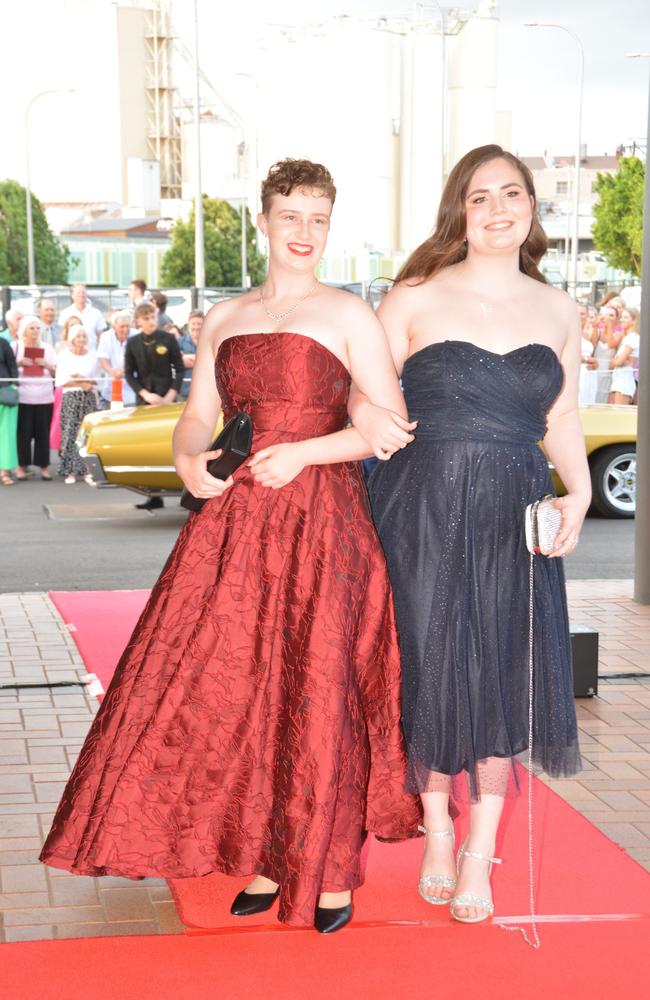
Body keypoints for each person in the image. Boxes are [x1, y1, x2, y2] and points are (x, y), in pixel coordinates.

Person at [40, 157, 420, 934]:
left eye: (319, 217)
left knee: (321, 688)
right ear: (265, 222)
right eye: (291, 216)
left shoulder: (350, 315)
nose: (305, 232)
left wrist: (306, 453)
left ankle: (332, 870)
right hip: (239, 520)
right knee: (241, 686)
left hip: (324, 521)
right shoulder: (225, 317)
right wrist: (188, 460)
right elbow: (195, 416)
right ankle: (264, 851)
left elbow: (390, 427)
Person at [351, 145, 589, 927]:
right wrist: (369, 420)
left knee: (502, 670)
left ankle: (481, 848)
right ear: (460, 208)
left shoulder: (559, 309)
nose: (496, 209)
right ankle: (438, 826)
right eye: (479, 196)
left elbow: (561, 417)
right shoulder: (416, 294)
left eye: (511, 193)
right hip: (417, 505)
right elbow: (363, 395)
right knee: (427, 662)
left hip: (513, 507)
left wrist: (579, 493)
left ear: (531, 207)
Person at [124, 301, 184, 510]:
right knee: (146, 446)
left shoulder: (168, 339)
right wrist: (144, 394)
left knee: (173, 444)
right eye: (147, 318)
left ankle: (184, 490)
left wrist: (170, 396)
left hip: (167, 397)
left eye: (153, 318)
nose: (151, 322)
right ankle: (153, 494)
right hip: (145, 400)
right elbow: (128, 373)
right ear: (139, 321)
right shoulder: (132, 342)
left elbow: (179, 368)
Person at [12, 316, 57, 481]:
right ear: (24, 330)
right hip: (23, 397)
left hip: (45, 397)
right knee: (23, 434)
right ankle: (21, 467)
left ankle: (44, 467)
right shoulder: (15, 347)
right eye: (32, 328)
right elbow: (8, 370)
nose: (36, 331)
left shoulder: (48, 348)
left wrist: (46, 364)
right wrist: (19, 363)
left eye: (38, 328)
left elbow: (56, 372)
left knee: (42, 434)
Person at [55, 325, 100, 483]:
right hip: (71, 399)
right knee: (70, 434)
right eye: (78, 336)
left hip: (88, 398)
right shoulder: (64, 356)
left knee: (87, 435)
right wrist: (81, 382)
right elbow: (61, 381)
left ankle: (87, 469)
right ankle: (70, 471)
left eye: (83, 336)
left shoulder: (93, 356)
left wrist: (82, 379)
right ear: (72, 339)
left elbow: (96, 380)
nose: (81, 339)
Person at [96, 310, 136, 410]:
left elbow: (136, 358)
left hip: (132, 387)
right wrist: (112, 371)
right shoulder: (106, 337)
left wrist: (123, 370)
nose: (126, 329)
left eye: (127, 326)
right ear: (114, 327)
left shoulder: (136, 335)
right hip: (111, 387)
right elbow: (103, 358)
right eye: (122, 326)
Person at [609, 307, 640, 405]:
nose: (622, 319)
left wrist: (615, 361)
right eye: (622, 317)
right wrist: (617, 361)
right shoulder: (627, 337)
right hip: (618, 378)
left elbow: (617, 362)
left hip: (624, 381)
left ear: (634, 321)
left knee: (619, 415)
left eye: (626, 317)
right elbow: (617, 362)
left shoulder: (633, 337)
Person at [59, 284, 106, 349]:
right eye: (78, 293)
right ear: (72, 295)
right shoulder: (65, 313)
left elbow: (100, 336)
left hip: (92, 354)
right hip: (71, 354)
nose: (81, 295)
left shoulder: (96, 313)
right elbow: (63, 336)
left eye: (83, 292)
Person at [0, 336, 19, 485]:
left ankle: (5, 471)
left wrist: (14, 385)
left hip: (4, 394)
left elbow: (12, 366)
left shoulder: (3, 342)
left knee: (6, 435)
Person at [177, 309, 204, 398]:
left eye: (199, 324)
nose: (196, 327)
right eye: (193, 324)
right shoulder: (180, 342)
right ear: (188, 325)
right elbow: (176, 362)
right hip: (185, 391)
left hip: (205, 391)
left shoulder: (210, 342)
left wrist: (190, 358)